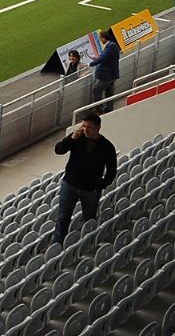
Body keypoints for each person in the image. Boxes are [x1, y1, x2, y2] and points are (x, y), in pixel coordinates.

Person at [52, 111, 117, 245]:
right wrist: (71, 139)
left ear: (98, 127)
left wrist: (100, 185)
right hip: (70, 185)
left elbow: (111, 170)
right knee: (62, 218)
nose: (85, 129)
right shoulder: (76, 138)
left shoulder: (107, 146)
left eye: (89, 127)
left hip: (91, 190)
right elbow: (59, 150)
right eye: (83, 126)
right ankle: (57, 246)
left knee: (89, 220)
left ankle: (85, 245)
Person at [91, 29, 121, 111]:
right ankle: (109, 108)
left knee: (97, 91)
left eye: (100, 38)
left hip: (107, 76)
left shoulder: (111, 46)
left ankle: (100, 109)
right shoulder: (112, 45)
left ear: (104, 38)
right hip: (111, 74)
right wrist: (97, 59)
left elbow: (104, 57)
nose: (100, 41)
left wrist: (92, 63)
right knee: (109, 92)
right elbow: (106, 58)